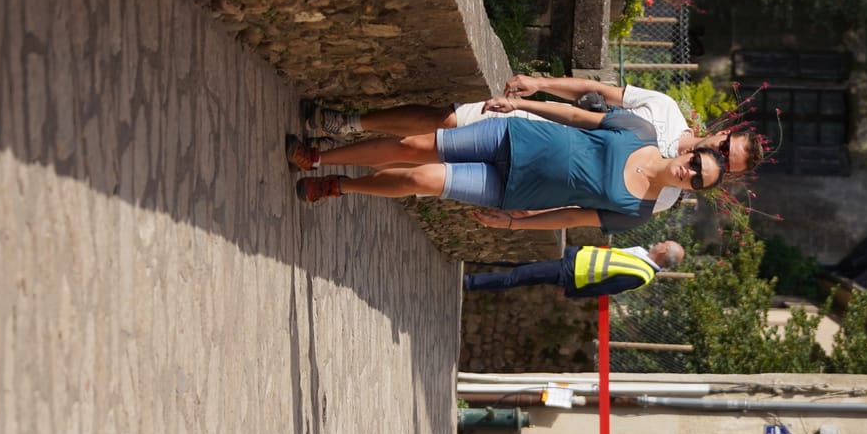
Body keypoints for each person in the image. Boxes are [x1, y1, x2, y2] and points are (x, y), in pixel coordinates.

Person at [301, 78, 764, 217]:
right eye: (726, 146)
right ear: (723, 133)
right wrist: (539, 85)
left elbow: (587, 207)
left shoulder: (662, 199)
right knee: (433, 127)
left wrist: (529, 215)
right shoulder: (663, 111)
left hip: (528, 181)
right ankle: (346, 126)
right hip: (527, 126)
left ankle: (334, 168)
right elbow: (594, 97)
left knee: (421, 172)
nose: (719, 155)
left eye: (728, 163)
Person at [288, 105, 723, 232]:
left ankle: (340, 186)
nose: (691, 172)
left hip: (512, 189)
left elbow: (572, 218)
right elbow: (576, 116)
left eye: (699, 180)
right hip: (514, 137)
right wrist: (522, 102)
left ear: (693, 190)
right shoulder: (640, 130)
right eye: (696, 163)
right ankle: (319, 157)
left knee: (418, 178)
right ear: (690, 153)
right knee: (415, 146)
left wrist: (516, 224)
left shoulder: (639, 211)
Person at [465, 241, 685, 297]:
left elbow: (604, 288)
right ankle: (471, 258)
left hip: (570, 273)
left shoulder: (641, 275)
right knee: (518, 262)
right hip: (572, 259)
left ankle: (468, 283)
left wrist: (572, 291)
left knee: (518, 276)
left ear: (664, 251)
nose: (659, 242)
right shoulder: (641, 255)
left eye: (663, 243)